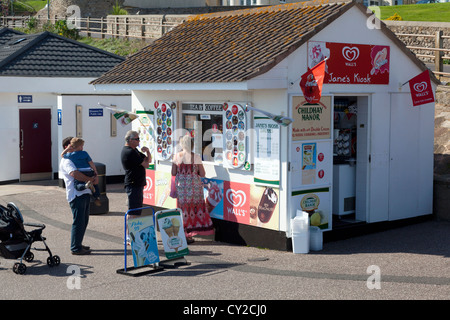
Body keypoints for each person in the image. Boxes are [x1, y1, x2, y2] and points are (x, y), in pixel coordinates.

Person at [171, 135, 214, 243]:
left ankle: (184, 234)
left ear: (182, 144)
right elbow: (203, 173)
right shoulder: (196, 157)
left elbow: (173, 172)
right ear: (192, 145)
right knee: (194, 210)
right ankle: (190, 234)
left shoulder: (176, 156)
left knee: (184, 210)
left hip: (182, 188)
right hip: (194, 188)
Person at [60, 136, 94, 255]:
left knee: (84, 220)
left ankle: (78, 244)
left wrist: (94, 177)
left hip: (84, 192)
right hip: (76, 194)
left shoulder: (76, 158)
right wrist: (90, 179)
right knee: (78, 221)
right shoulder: (67, 161)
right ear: (67, 147)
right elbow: (75, 174)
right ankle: (75, 247)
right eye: (72, 145)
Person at [61, 137, 101, 207]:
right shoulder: (84, 153)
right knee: (95, 185)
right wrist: (95, 173)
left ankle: (85, 186)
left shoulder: (71, 156)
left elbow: (62, 155)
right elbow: (76, 174)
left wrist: (67, 149)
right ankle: (96, 197)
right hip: (77, 195)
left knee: (78, 184)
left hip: (81, 173)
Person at [121, 130, 151, 218]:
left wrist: (148, 151)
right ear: (130, 140)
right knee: (133, 211)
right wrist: (145, 160)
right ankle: (129, 231)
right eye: (137, 139)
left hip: (137, 184)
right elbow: (146, 164)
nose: (139, 141)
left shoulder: (134, 150)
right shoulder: (129, 152)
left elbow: (148, 161)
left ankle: (131, 231)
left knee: (136, 210)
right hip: (133, 184)